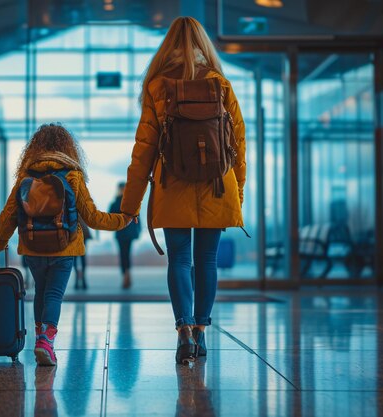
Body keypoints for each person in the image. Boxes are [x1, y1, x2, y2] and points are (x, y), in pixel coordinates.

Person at [120, 17, 246, 364]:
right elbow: (238, 143)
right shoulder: (219, 83)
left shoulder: (158, 86)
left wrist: (130, 205)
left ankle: (184, 332)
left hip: (171, 184)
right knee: (206, 260)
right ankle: (202, 333)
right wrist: (240, 193)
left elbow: (143, 149)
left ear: (168, 45)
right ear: (204, 45)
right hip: (218, 185)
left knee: (179, 259)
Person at [0, 123, 131, 366]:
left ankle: (40, 339)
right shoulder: (73, 177)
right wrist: (124, 220)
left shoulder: (26, 178)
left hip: (33, 248)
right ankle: (46, 341)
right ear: (68, 148)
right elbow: (93, 217)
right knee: (55, 294)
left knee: (41, 293)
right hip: (64, 248)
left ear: (34, 149)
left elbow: (8, 215)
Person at [109, 182, 141, 289]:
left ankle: (126, 275)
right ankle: (127, 275)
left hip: (122, 233)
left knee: (124, 254)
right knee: (125, 254)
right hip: (125, 233)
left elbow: (110, 218)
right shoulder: (130, 202)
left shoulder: (116, 202)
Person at [73, 216, 92, 290]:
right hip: (83, 233)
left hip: (74, 233)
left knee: (75, 258)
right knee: (82, 257)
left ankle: (77, 280)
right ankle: (83, 280)